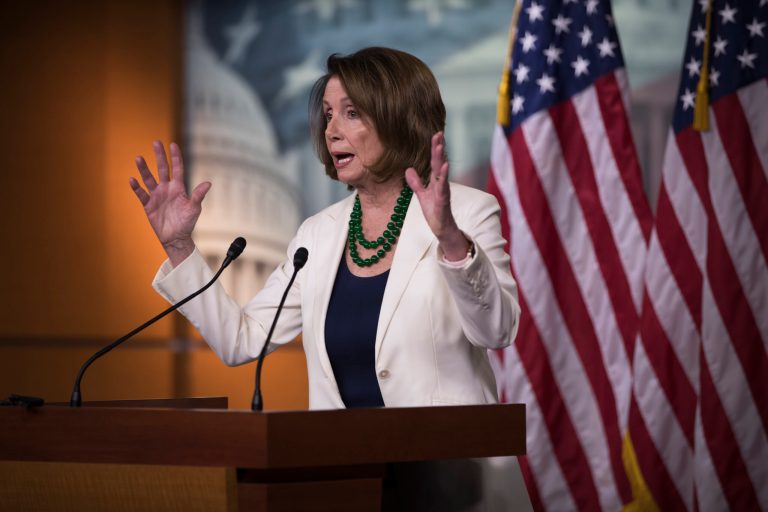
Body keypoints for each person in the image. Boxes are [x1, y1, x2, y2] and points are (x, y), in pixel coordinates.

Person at [129, 47, 520, 410]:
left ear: (398, 119)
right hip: (343, 457)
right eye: (328, 114)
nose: (331, 130)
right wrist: (179, 245)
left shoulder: (469, 212)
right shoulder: (317, 235)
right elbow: (241, 340)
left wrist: (451, 241)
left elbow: (497, 331)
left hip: (445, 455)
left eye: (351, 113)